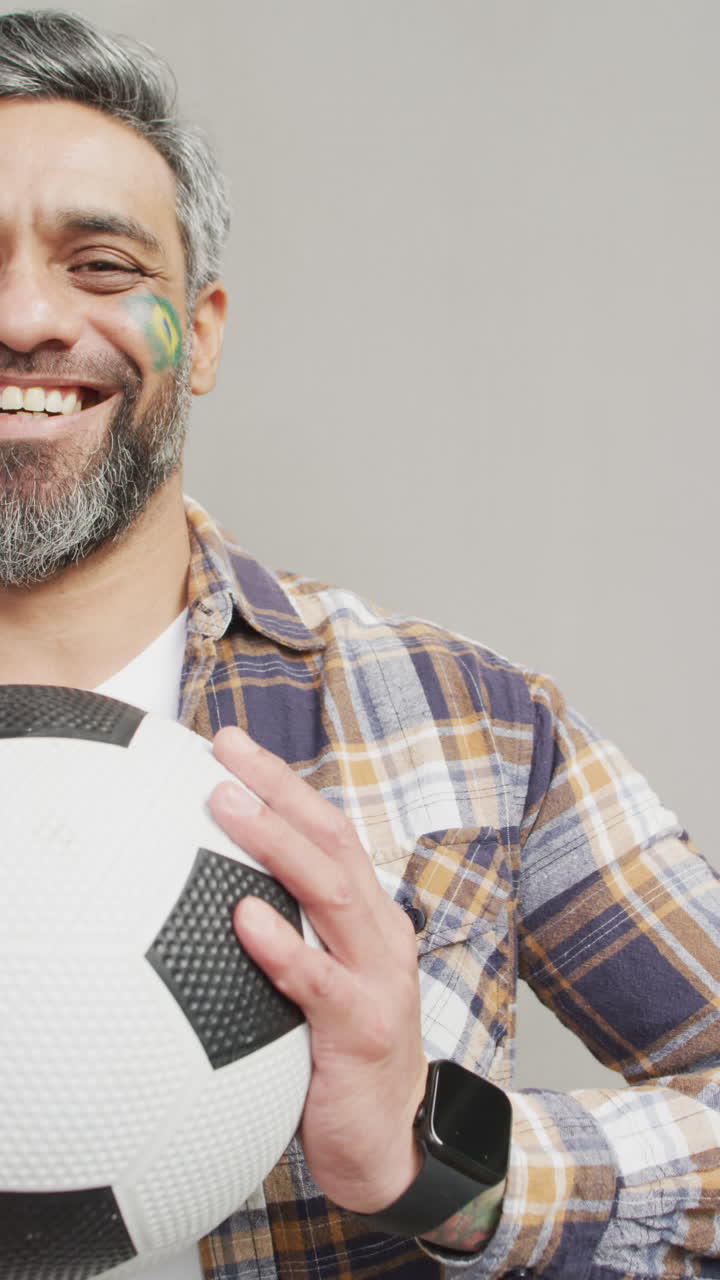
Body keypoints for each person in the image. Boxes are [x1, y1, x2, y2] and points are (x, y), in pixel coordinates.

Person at [0, 10, 718, 1279]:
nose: (23, 317)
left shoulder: (464, 719)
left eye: (102, 265)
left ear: (203, 330)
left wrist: (440, 1160)